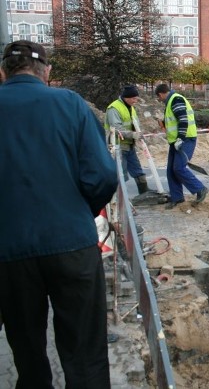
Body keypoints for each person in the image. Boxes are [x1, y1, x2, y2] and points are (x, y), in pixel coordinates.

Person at [0, 40, 118, 388]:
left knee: (26, 348)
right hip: (72, 245)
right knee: (85, 353)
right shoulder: (69, 104)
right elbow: (104, 176)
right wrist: (79, 210)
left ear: (3, 71)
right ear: (47, 72)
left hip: (9, 253)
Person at [154, 83, 208, 208]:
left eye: (159, 97)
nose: (160, 100)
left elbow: (183, 120)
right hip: (176, 141)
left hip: (185, 139)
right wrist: (162, 122)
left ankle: (200, 189)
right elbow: (175, 120)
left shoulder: (176, 100)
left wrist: (180, 138)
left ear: (161, 94)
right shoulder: (171, 102)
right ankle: (177, 197)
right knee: (171, 170)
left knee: (179, 168)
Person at [104, 84, 148, 195]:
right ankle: (120, 198)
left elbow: (134, 124)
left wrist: (137, 136)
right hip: (117, 146)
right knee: (120, 174)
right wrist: (133, 135)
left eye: (136, 98)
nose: (135, 101)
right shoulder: (114, 108)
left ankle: (144, 193)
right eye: (133, 98)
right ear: (126, 97)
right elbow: (116, 129)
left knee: (138, 170)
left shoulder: (130, 108)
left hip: (129, 145)